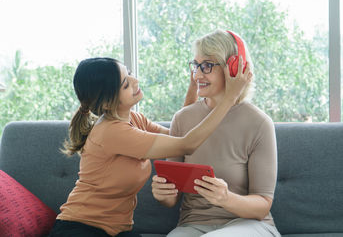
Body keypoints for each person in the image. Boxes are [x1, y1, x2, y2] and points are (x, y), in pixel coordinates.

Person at [48, 56, 251, 237]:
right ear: (108, 102)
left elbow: (177, 136)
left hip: (116, 230)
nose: (135, 81)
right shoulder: (111, 132)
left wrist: (193, 88)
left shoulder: (135, 119)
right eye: (126, 84)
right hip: (81, 228)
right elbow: (186, 145)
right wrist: (230, 97)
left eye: (130, 73)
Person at [151, 29, 281, 237]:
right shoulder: (182, 119)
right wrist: (163, 194)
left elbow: (262, 204)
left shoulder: (259, 123)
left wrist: (226, 198)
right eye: (196, 65)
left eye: (208, 66)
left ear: (233, 69)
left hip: (249, 225)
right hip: (193, 225)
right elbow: (171, 199)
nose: (198, 74)